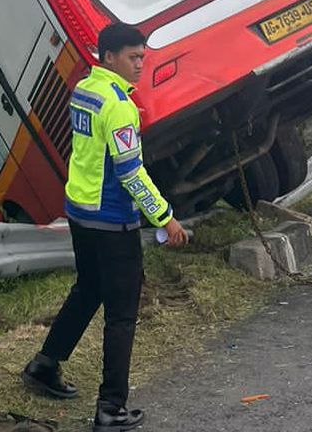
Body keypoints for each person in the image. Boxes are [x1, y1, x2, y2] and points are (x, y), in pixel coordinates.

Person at [22, 22, 187, 432]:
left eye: (142, 57)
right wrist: (165, 217)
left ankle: (44, 366)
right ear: (109, 56)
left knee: (88, 290)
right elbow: (131, 173)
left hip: (81, 213)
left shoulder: (85, 90)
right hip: (113, 220)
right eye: (133, 57)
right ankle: (111, 408)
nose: (139, 65)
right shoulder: (119, 105)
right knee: (122, 315)